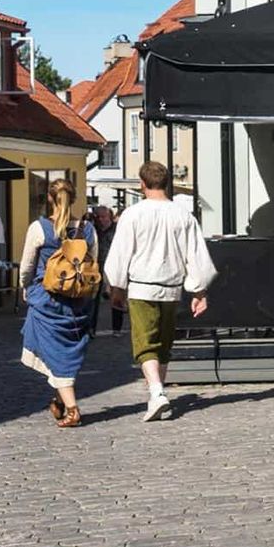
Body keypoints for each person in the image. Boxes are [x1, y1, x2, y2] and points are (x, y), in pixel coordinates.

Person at [104, 161, 215, 422]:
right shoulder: (183, 216)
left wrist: (116, 287)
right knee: (163, 344)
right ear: (166, 183)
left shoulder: (133, 214)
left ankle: (156, 393)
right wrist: (199, 291)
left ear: (142, 184)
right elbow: (195, 255)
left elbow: (121, 253)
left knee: (146, 344)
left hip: (142, 286)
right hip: (171, 287)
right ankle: (158, 394)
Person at [19, 178, 98, 428]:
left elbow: (26, 267)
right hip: (77, 302)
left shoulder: (39, 228)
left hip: (48, 299)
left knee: (53, 352)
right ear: (72, 199)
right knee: (63, 352)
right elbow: (92, 264)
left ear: (49, 199)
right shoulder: (88, 229)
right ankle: (61, 400)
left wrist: (26, 288)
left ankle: (73, 409)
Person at [89, 206, 124, 338]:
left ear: (110, 217)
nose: (101, 220)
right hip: (96, 266)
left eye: (104, 217)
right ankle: (91, 328)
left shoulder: (117, 230)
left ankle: (117, 328)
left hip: (114, 265)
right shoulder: (92, 230)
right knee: (93, 298)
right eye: (98, 217)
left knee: (117, 297)